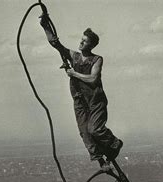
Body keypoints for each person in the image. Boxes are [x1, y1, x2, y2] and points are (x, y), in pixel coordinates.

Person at [40, 16, 123, 167]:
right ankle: (101, 162)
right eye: (81, 39)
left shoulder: (97, 59)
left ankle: (114, 143)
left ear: (91, 45)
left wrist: (74, 74)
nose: (81, 42)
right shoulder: (74, 56)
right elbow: (56, 44)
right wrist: (45, 26)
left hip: (95, 101)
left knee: (95, 129)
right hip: (79, 100)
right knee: (85, 133)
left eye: (85, 41)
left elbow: (93, 79)